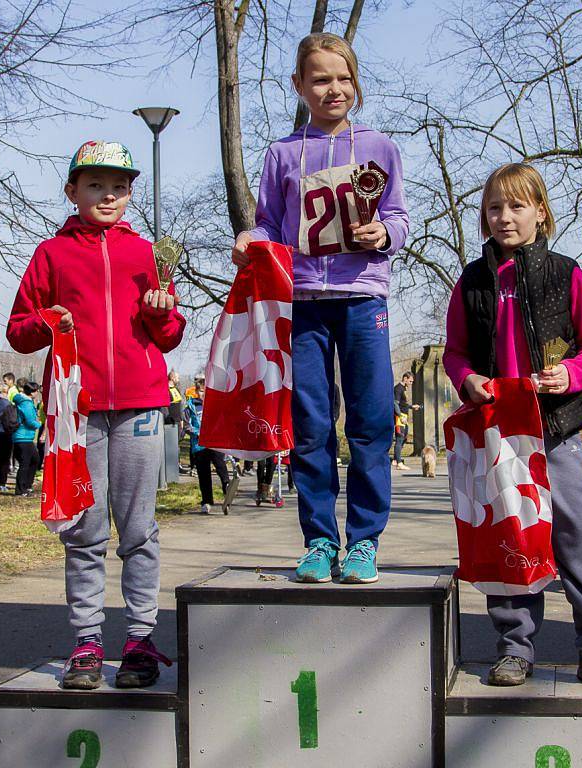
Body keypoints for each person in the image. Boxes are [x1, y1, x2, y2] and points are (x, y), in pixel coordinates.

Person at [443, 162, 582, 689]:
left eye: (516, 206)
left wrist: (571, 373)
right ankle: (515, 648)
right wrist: (467, 380)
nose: (504, 216)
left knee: (576, 538)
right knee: (511, 535)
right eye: (493, 207)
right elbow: (456, 353)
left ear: (541, 212)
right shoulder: (470, 282)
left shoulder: (565, 272)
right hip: (498, 436)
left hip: (555, 431)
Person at [7, 140, 185, 690]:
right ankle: (86, 643)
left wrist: (163, 313)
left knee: (138, 529)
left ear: (130, 194)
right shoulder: (51, 255)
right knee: (84, 532)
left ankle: (138, 640)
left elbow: (171, 335)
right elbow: (18, 329)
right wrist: (47, 321)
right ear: (72, 192)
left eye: (119, 187)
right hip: (75, 410)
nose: (109, 196)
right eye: (95, 186)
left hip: (139, 406)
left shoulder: (148, 254)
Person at [232, 33, 408, 584]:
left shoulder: (379, 146)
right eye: (320, 79)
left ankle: (363, 541)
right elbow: (269, 223)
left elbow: (401, 217)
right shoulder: (283, 153)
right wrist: (249, 238)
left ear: (356, 83)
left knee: (371, 422)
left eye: (343, 77)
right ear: (299, 86)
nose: (334, 88)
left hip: (363, 298)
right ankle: (318, 540)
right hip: (302, 302)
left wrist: (383, 233)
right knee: (310, 424)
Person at [183, 374, 229, 514]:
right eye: (201, 391)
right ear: (196, 392)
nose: (203, 394)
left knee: (221, 466)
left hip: (215, 442)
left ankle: (227, 489)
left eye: (205, 391)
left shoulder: (215, 404)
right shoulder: (191, 406)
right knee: (204, 474)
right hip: (199, 444)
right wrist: (195, 432)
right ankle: (207, 501)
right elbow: (186, 425)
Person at [12, 381, 42, 496]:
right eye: (36, 391)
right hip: (23, 437)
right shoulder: (26, 403)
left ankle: (27, 486)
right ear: (32, 392)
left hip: (22, 437)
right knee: (26, 463)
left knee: (34, 460)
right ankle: (21, 490)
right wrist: (39, 424)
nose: (37, 393)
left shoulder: (22, 401)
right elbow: (30, 421)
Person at [393, 371, 420, 469]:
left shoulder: (403, 389)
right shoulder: (398, 389)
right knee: (400, 438)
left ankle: (396, 460)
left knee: (404, 437)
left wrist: (412, 407)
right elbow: (395, 403)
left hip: (404, 416)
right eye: (410, 381)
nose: (411, 383)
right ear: (405, 378)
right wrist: (400, 415)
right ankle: (399, 463)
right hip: (400, 417)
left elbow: (402, 403)